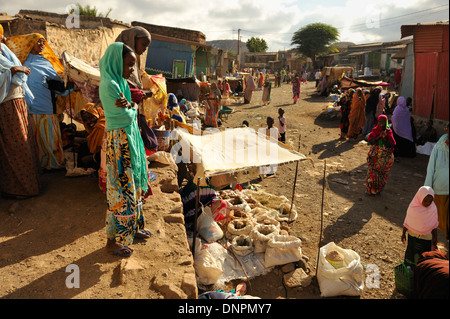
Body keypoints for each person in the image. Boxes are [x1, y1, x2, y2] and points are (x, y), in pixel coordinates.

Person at [99, 42, 151, 257]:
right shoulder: (109, 84)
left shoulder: (120, 81)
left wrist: (130, 106)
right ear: (115, 61)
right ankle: (114, 241)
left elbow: (130, 109)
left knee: (133, 185)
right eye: (129, 64)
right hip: (119, 141)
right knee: (121, 191)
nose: (132, 69)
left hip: (129, 138)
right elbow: (123, 116)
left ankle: (133, 229)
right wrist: (131, 107)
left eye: (134, 65)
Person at [7, 33, 71, 170]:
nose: (42, 44)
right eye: (38, 42)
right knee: (35, 139)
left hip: (45, 105)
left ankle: (52, 165)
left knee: (49, 139)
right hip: (28, 108)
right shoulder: (20, 61)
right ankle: (41, 165)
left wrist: (70, 86)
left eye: (43, 42)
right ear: (31, 43)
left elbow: (56, 84)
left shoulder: (46, 62)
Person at [0, 26, 41, 199]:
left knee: (26, 144)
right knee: (16, 147)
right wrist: (13, 70)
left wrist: (14, 69)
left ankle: (30, 185)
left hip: (18, 102)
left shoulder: (5, 53)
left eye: (1, 36)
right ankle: (17, 189)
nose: (3, 40)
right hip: (7, 106)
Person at [401, 186, 439, 267]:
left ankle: (420, 271)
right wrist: (403, 233)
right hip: (412, 235)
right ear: (420, 197)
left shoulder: (433, 209)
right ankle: (408, 269)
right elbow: (407, 220)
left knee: (423, 256)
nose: (427, 203)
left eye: (430, 201)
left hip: (426, 238)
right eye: (425, 201)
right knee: (410, 252)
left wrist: (435, 237)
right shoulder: (413, 207)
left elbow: (434, 224)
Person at [424, 123, 449, 240]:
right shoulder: (439, 146)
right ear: (446, 131)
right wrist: (427, 190)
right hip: (439, 189)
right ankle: (434, 241)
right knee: (436, 219)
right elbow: (431, 168)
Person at [365, 115, 396, 196]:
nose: (381, 123)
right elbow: (370, 141)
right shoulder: (375, 130)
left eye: (383, 122)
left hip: (385, 157)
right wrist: (379, 137)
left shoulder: (389, 132)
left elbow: (391, 145)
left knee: (381, 173)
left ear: (386, 122)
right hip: (374, 155)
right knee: (372, 171)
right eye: (380, 121)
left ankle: (378, 190)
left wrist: (385, 138)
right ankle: (370, 189)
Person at [78, 103, 106, 170]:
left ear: (97, 113)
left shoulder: (102, 126)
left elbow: (106, 149)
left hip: (106, 157)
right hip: (99, 156)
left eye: (90, 117)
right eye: (85, 119)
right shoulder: (94, 129)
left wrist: (92, 157)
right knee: (83, 147)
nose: (88, 121)